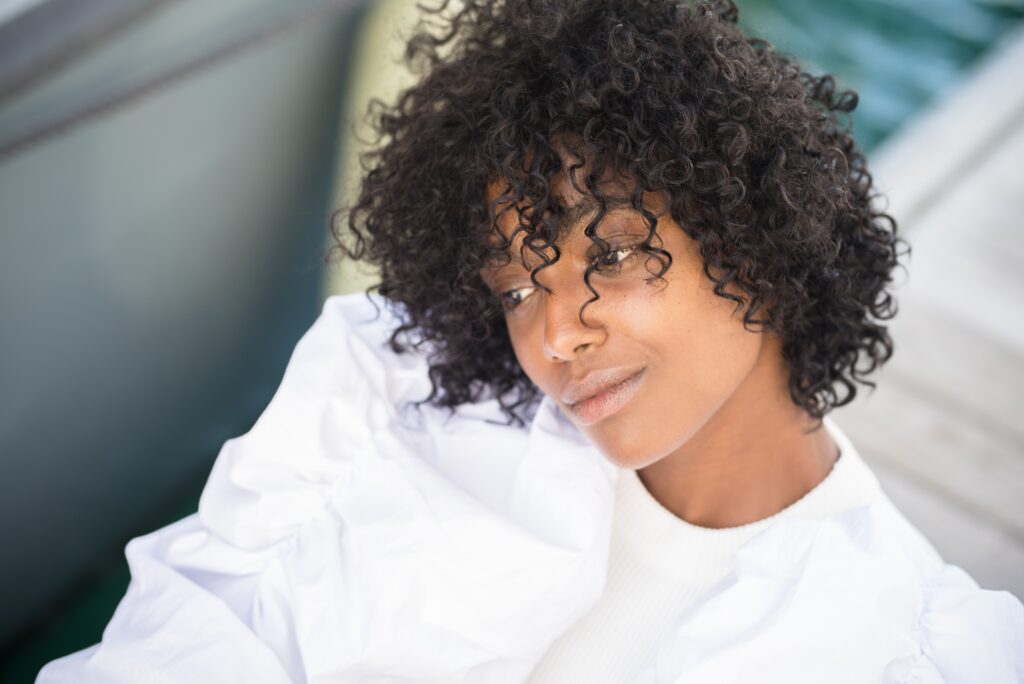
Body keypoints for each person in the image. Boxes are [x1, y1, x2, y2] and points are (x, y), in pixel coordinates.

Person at [39, 0, 1023, 682]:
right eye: (515, 288)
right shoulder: (399, 399)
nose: (552, 335)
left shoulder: (899, 644)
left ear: (761, 238)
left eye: (614, 255)